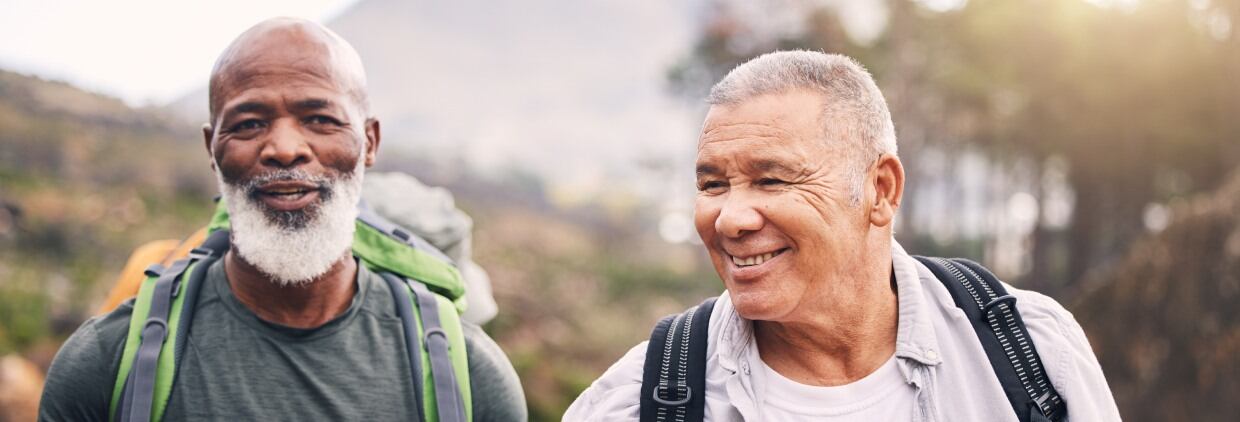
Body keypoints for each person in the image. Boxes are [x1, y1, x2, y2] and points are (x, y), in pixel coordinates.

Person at [564, 51, 1120, 421]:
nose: (731, 218)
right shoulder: (640, 401)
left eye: (771, 178)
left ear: (880, 190)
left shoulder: (1028, 354)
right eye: (713, 183)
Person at [39, 18, 525, 421]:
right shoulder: (104, 365)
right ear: (213, 148)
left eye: (320, 119)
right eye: (249, 123)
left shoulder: (468, 377)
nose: (285, 149)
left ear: (369, 143)